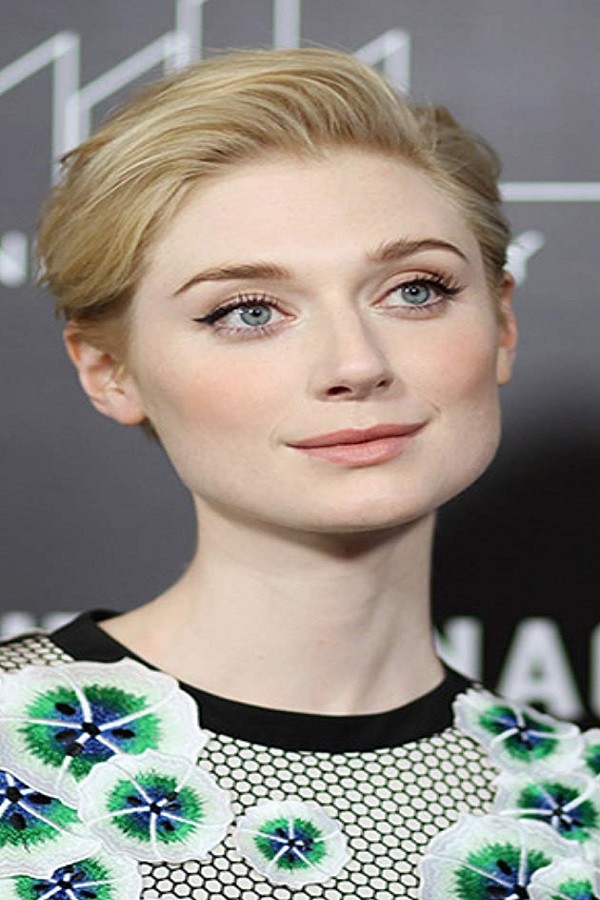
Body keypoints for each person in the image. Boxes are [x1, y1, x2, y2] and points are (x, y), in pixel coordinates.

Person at [5, 47, 589, 900]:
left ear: (501, 325)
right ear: (110, 371)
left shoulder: (578, 811)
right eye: (248, 311)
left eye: (415, 290)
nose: (357, 364)